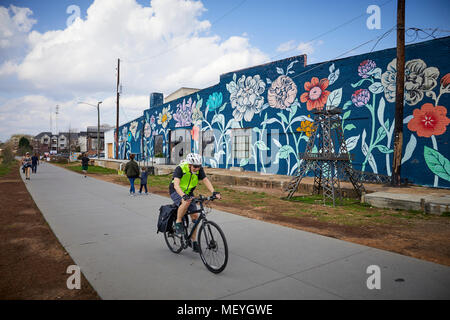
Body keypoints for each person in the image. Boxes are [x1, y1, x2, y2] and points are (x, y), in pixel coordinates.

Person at [169, 153, 221, 253]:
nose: (197, 168)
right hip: (176, 191)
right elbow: (176, 185)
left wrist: (213, 192)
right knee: (186, 202)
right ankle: (179, 221)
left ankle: (193, 241)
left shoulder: (199, 169)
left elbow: (205, 180)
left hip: (189, 192)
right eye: (195, 166)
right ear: (189, 165)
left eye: (199, 166)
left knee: (195, 217)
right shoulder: (180, 169)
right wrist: (183, 196)